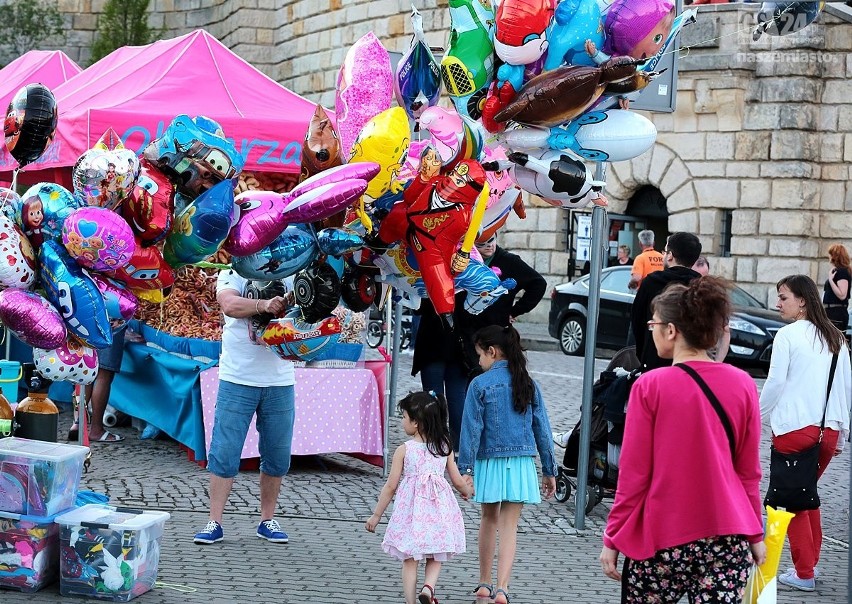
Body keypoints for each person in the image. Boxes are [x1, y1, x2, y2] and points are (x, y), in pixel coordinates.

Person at [600, 276, 766, 602]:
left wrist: (613, 536)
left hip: (662, 536)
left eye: (654, 324)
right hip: (726, 535)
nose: (651, 329)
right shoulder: (743, 384)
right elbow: (748, 471)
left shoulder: (650, 386)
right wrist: (755, 533)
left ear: (672, 331)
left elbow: (634, 475)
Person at [759, 274, 851, 591]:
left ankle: (804, 574)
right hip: (829, 432)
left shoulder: (788, 336)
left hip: (794, 430)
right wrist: (842, 429)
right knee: (807, 496)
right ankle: (810, 566)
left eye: (783, 297)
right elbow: (846, 388)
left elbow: (775, 384)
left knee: (793, 501)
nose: (777, 303)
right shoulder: (836, 336)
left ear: (802, 300)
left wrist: (753, 416)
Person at [194, 270, 295, 545]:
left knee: (277, 452)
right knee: (224, 451)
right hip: (237, 377)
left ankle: (267, 520)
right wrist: (263, 305)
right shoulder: (231, 271)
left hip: (280, 379)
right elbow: (229, 304)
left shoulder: (290, 271)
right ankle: (214, 521)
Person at [458, 325, 557, 604]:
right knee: (510, 525)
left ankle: (484, 583)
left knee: (488, 520)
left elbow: (470, 431)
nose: (478, 361)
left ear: (492, 351)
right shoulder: (528, 383)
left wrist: (465, 470)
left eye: (480, 355)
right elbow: (543, 430)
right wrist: (549, 470)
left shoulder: (479, 384)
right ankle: (503, 588)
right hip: (521, 463)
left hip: (488, 461)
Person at [366, 391, 471, 604]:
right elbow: (457, 479)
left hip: (412, 513)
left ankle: (411, 601)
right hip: (438, 510)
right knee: (436, 553)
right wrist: (467, 491)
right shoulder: (444, 447)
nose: (403, 421)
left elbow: (391, 486)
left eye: (404, 417)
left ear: (415, 423)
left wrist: (376, 516)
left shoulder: (404, 450)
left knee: (409, 559)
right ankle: (428, 587)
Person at [455, 234, 547, 380]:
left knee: (493, 377)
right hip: (467, 331)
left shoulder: (509, 261)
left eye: (492, 240)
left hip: (495, 331)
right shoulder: (463, 261)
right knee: (471, 378)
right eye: (482, 244)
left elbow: (538, 283)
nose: (489, 245)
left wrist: (516, 310)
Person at [630, 232, 702, 370]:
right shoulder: (702, 285)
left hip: (654, 357)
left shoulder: (651, 282)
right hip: (691, 361)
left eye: (665, 250)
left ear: (670, 255)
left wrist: (643, 353)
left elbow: (637, 320)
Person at [411, 299, 468, 451]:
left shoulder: (431, 277)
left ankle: (436, 445)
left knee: (433, 399)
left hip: (433, 342)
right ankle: (458, 449)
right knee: (457, 398)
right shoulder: (467, 276)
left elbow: (418, 307)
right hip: (460, 343)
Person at [68, 322, 128, 443]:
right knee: (104, 375)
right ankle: (96, 430)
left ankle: (78, 423)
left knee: (86, 372)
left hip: (84, 320)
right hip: (109, 320)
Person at [823, 243, 850, 332]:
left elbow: (842, 295)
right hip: (830, 311)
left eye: (831, 254)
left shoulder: (842, 272)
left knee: (834, 342)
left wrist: (831, 280)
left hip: (836, 313)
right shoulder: (837, 271)